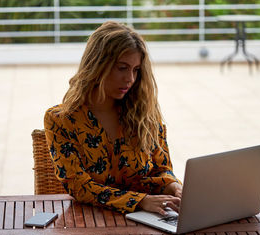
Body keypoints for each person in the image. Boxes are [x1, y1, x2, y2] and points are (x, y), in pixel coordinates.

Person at [44, 21, 182, 216]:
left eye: (136, 70)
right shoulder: (61, 120)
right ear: (98, 65)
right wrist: (140, 201)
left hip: (149, 221)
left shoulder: (144, 114)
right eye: (122, 68)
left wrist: (174, 186)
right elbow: (79, 187)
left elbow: (161, 170)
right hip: (91, 224)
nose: (130, 79)